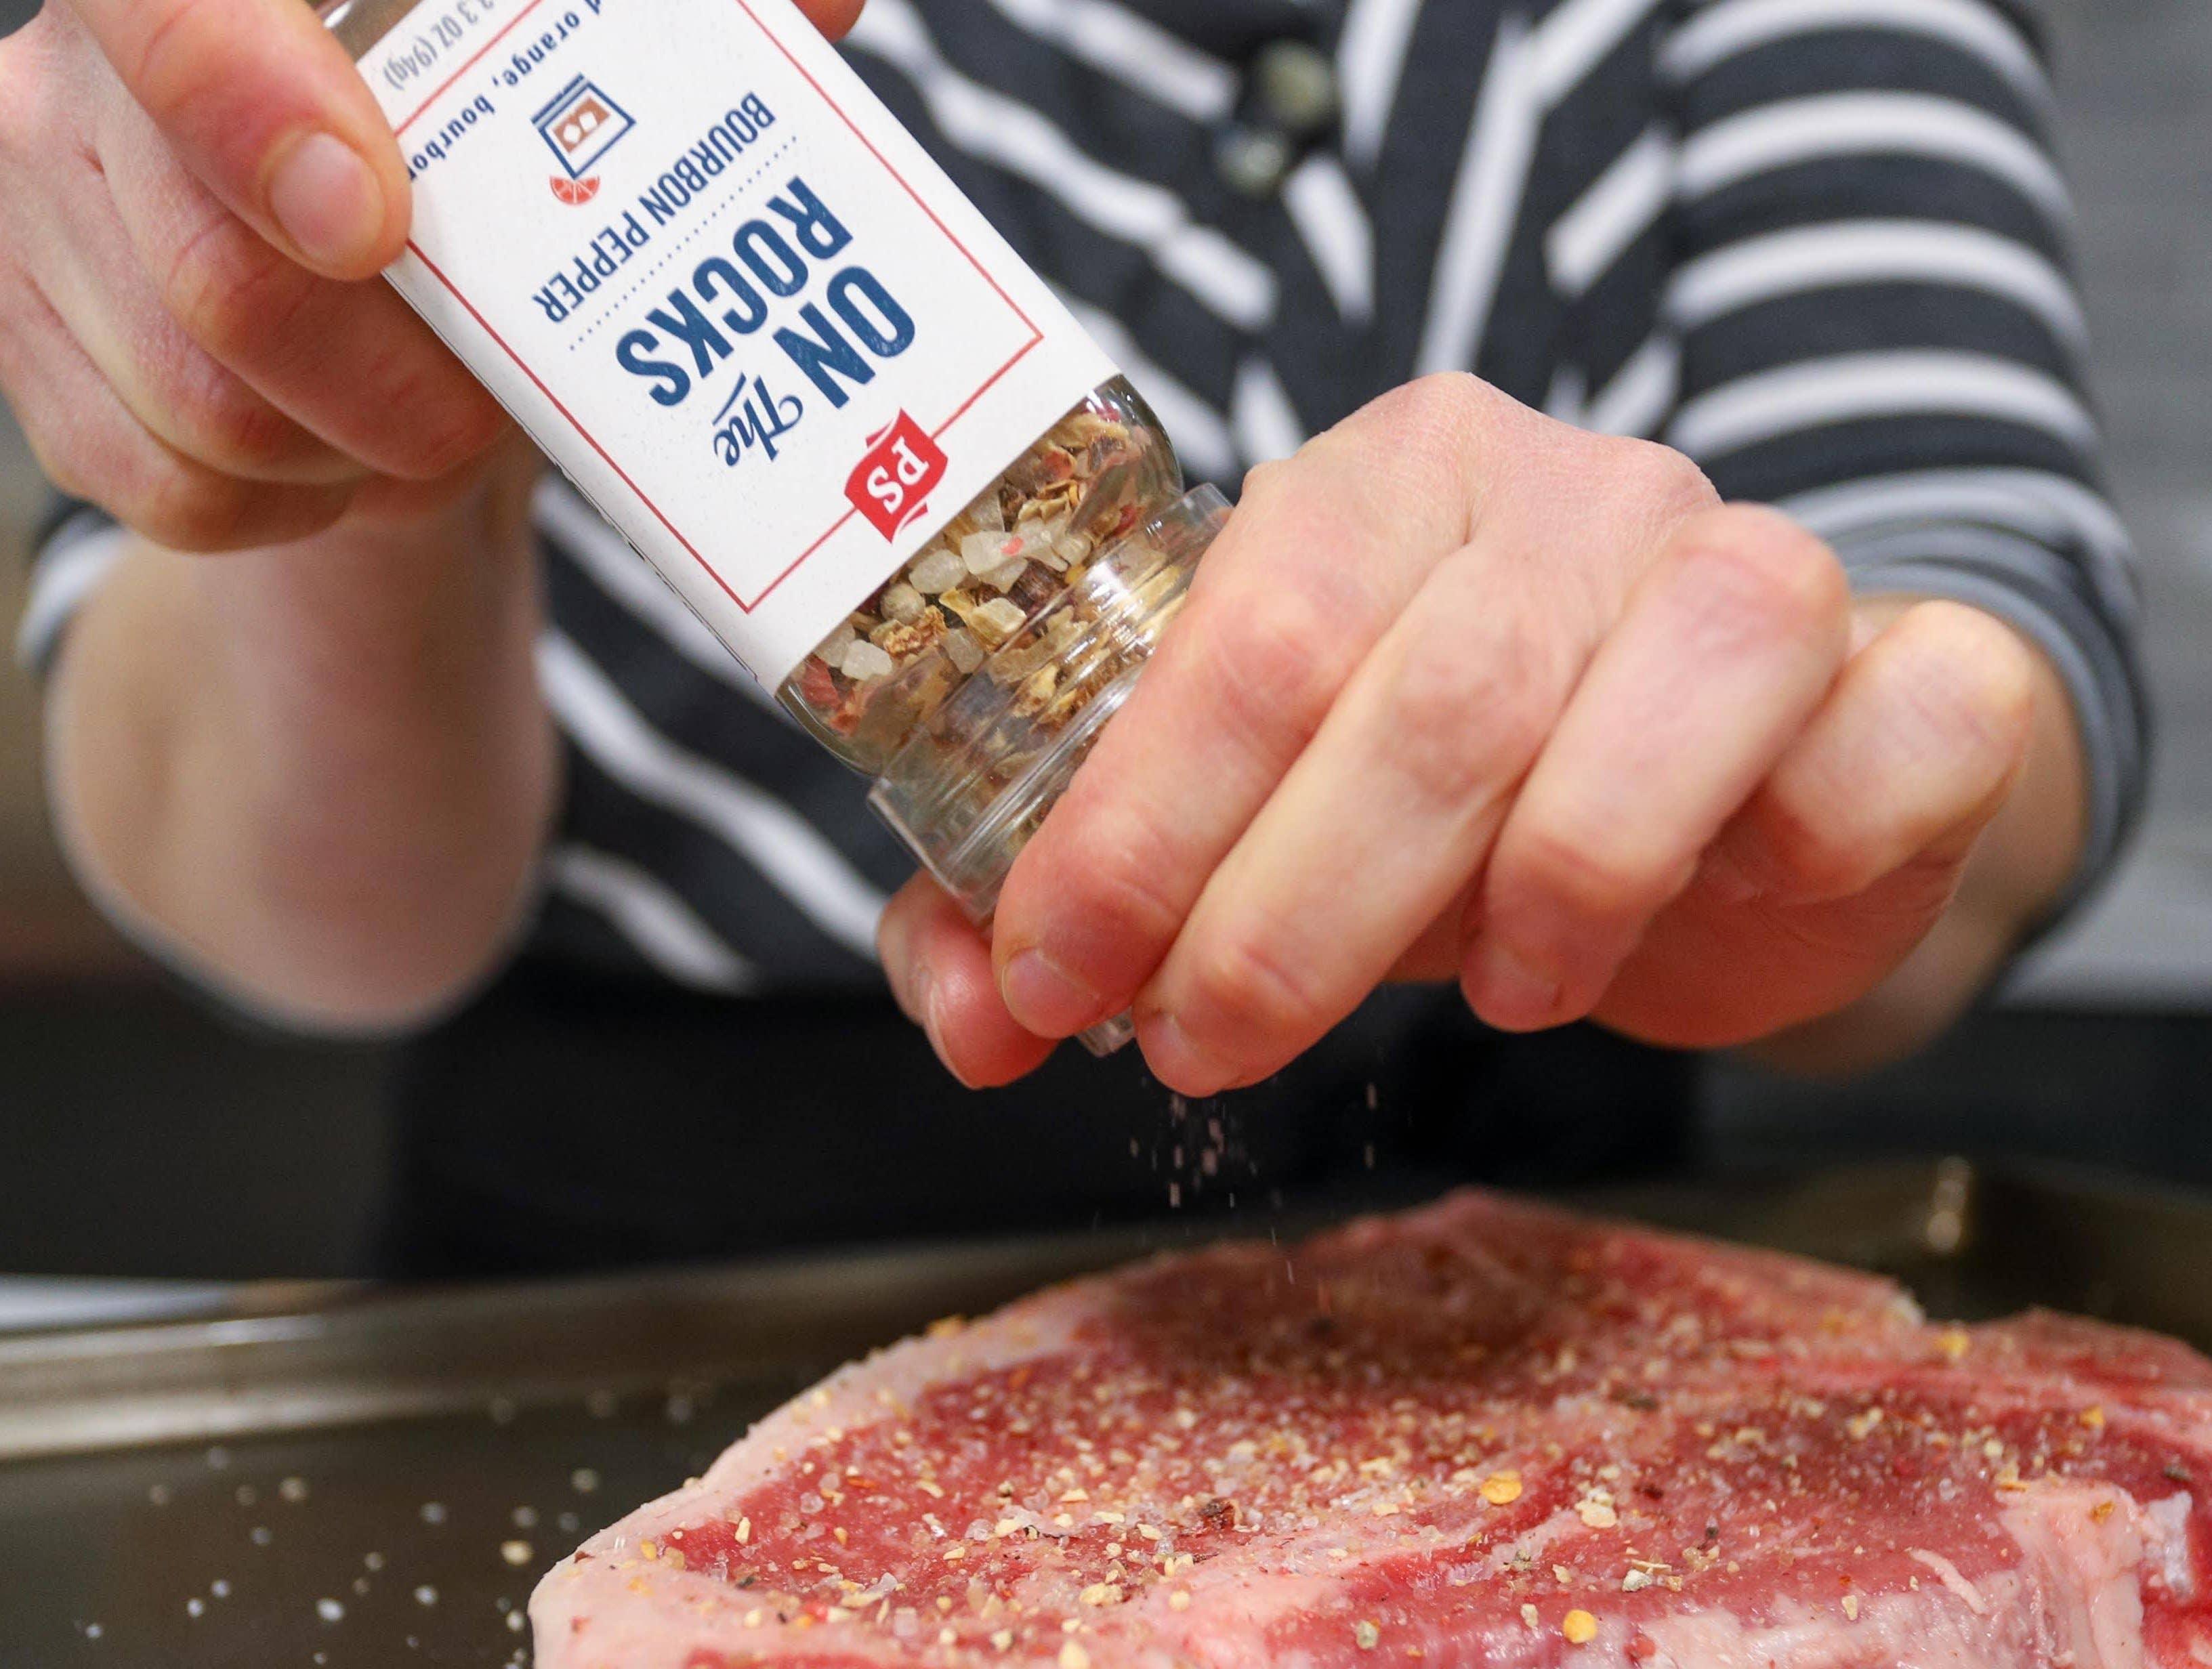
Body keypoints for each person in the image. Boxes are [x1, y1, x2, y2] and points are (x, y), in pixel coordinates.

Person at [3, 0, 2143, 1272]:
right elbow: (306, 915)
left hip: (1484, 1234)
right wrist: (350, 311)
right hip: (615, 1279)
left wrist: (1777, 774)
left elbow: (1970, 642)